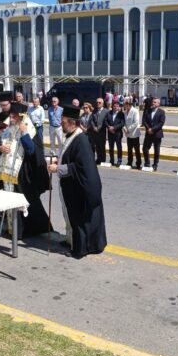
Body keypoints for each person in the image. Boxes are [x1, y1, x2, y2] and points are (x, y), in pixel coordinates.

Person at [48, 105, 107, 257]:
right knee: (71, 216)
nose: (61, 124)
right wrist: (59, 160)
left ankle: (80, 249)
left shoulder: (81, 140)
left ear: (72, 123)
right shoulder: (71, 135)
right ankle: (71, 240)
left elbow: (81, 166)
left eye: (63, 122)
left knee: (78, 217)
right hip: (71, 185)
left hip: (79, 188)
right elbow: (70, 156)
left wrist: (58, 168)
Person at [0, 102, 51, 237]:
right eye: (10, 116)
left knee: (24, 203)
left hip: (22, 174)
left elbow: (32, 151)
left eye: (14, 116)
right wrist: (0, 148)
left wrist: (24, 133)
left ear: (21, 117)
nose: (11, 119)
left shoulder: (30, 130)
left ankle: (22, 231)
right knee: (9, 200)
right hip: (8, 173)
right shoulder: (9, 129)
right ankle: (11, 229)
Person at [142, 97, 166, 171]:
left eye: (155, 102)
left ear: (158, 104)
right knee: (145, 148)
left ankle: (155, 164)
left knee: (156, 150)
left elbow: (161, 123)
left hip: (157, 134)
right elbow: (144, 120)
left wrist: (152, 129)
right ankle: (147, 163)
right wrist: (148, 129)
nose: (153, 103)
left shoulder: (162, 112)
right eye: (153, 102)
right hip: (148, 133)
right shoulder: (148, 110)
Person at [105, 100, 126, 166]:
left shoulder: (121, 114)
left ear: (119, 107)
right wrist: (109, 127)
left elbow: (122, 123)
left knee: (119, 148)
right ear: (112, 106)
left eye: (117, 106)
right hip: (110, 133)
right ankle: (111, 160)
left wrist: (114, 128)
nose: (115, 107)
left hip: (118, 134)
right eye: (114, 106)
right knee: (111, 148)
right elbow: (105, 121)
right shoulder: (108, 113)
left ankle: (119, 160)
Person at [124, 98, 143, 169]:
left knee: (136, 150)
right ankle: (129, 162)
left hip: (134, 133)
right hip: (128, 134)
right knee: (129, 149)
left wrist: (128, 129)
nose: (124, 106)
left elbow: (136, 122)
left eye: (125, 104)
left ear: (129, 104)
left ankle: (138, 163)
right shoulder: (125, 112)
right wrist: (124, 128)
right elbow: (124, 122)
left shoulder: (135, 111)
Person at [92, 97, 110, 163]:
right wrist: (94, 127)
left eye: (99, 103)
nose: (98, 104)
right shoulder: (94, 110)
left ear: (102, 103)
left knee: (102, 146)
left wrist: (99, 127)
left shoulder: (106, 111)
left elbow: (106, 121)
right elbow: (92, 120)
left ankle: (103, 159)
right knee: (97, 146)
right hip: (95, 132)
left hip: (102, 132)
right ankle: (98, 159)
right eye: (97, 102)